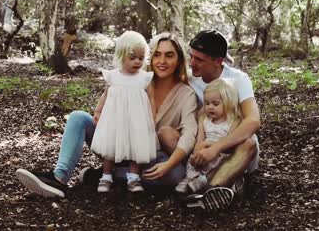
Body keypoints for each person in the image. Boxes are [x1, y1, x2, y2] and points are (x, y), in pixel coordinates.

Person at [15, 32, 198, 198]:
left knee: (174, 175)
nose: (162, 61)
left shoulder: (185, 94)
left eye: (169, 55)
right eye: (157, 54)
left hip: (146, 154)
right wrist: (100, 115)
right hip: (115, 141)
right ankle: (59, 177)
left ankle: (101, 175)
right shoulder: (132, 77)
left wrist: (168, 164)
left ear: (179, 59)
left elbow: (189, 134)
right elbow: (108, 100)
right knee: (78, 117)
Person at [187, 30, 260, 193]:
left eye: (199, 59)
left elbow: (253, 120)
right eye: (191, 56)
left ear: (218, 61)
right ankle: (227, 184)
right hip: (203, 143)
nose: (192, 62)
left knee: (249, 143)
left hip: (231, 146)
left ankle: (212, 190)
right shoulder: (190, 78)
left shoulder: (238, 79)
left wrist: (216, 148)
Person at [90, 31, 157, 193]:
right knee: (110, 148)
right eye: (132, 57)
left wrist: (152, 118)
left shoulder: (144, 78)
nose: (137, 62)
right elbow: (105, 95)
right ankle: (106, 176)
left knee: (137, 148)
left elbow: (151, 98)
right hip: (115, 120)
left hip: (137, 121)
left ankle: (133, 178)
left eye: (141, 58)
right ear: (121, 56)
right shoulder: (113, 76)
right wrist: (98, 110)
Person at [175, 78, 242, 194]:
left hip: (222, 153)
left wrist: (210, 145)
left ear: (228, 102)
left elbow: (231, 144)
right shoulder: (204, 119)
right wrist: (198, 150)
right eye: (207, 103)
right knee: (193, 159)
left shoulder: (233, 121)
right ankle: (189, 179)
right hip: (205, 152)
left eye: (215, 104)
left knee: (222, 165)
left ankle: (205, 182)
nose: (210, 107)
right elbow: (200, 139)